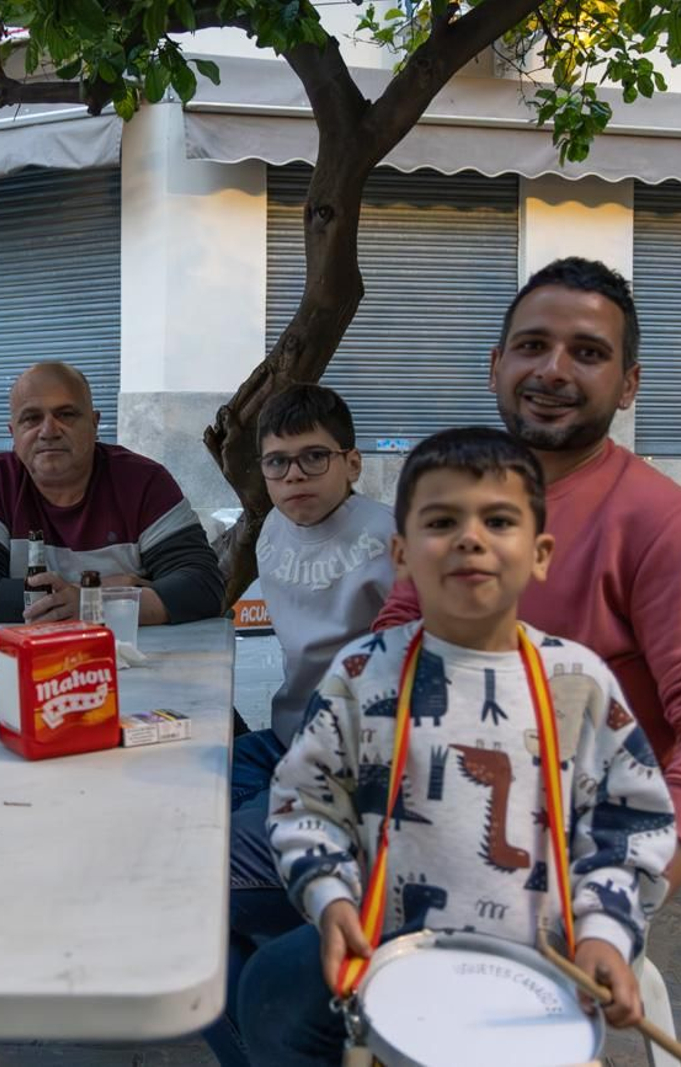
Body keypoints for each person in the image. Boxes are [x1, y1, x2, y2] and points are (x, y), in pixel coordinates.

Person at [238, 428, 677, 1065]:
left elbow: (630, 827)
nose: (470, 538)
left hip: (537, 968)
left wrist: (606, 930)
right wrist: (330, 897)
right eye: (442, 522)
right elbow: (305, 804)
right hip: (385, 946)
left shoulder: (578, 685)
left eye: (498, 521)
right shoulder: (363, 675)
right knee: (268, 995)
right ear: (401, 555)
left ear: (540, 553)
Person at [376, 257, 681, 898]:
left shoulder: (661, 523)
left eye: (588, 353)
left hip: (557, 869)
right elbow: (397, 632)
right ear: (495, 366)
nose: (553, 370)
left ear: (629, 385)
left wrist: (637, 879)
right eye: (532, 346)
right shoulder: (458, 491)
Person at [208, 384, 397, 1067]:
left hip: (349, 766)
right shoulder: (269, 532)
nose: (294, 476)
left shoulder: (391, 540)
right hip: (285, 734)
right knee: (180, 788)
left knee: (189, 885)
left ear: (352, 462)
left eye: (314, 457)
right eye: (277, 462)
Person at [0, 362, 224, 625]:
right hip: (22, 653)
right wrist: (96, 591)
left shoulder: (143, 481)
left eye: (66, 414)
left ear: (94, 423)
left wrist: (92, 604)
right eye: (31, 418)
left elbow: (203, 585)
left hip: (130, 653)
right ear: (13, 432)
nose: (48, 431)